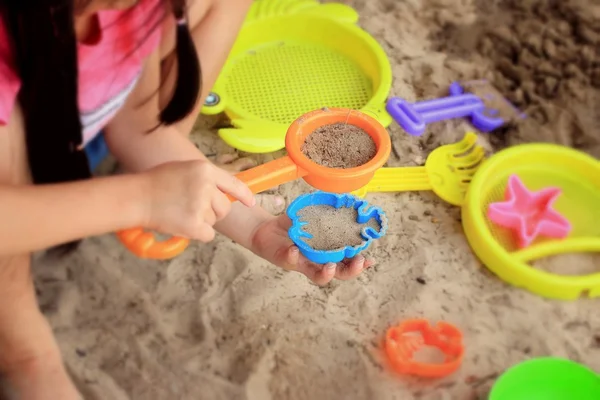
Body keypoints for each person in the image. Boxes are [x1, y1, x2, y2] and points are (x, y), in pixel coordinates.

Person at [0, 0, 374, 398]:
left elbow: (140, 127)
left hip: (70, 133)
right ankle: (27, 358)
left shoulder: (135, 7)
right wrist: (143, 199)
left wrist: (255, 227)